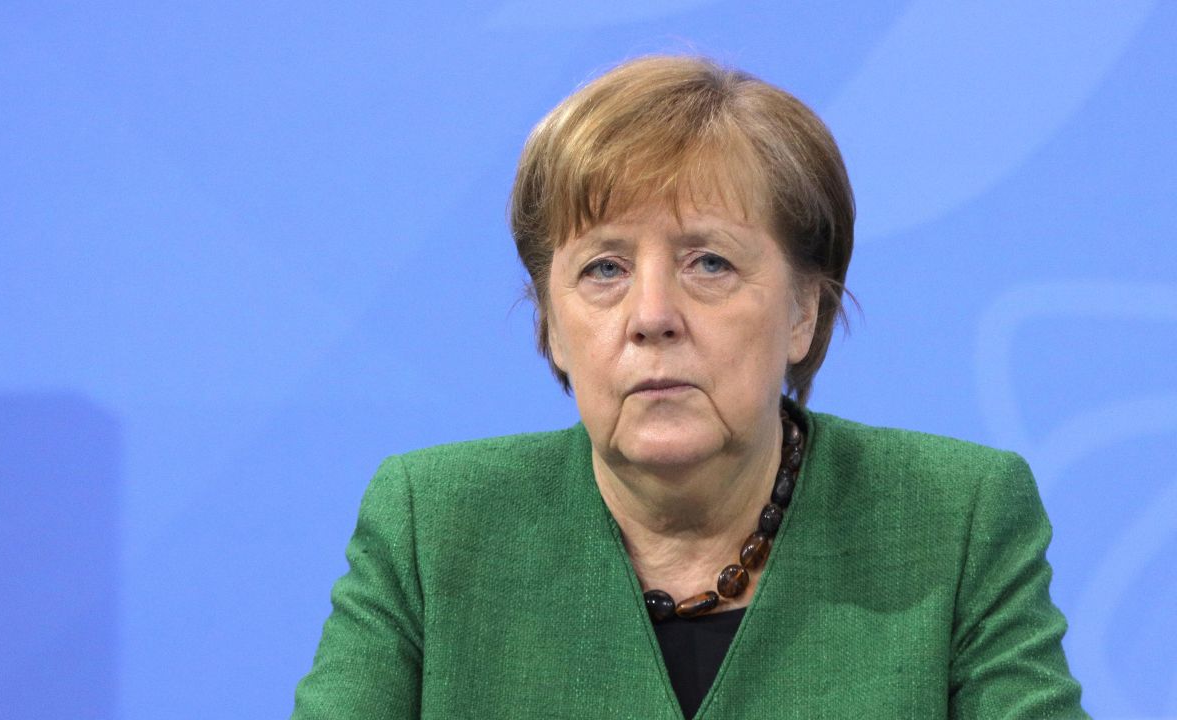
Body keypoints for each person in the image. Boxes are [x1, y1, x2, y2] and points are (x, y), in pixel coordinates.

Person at [291, 55, 1087, 719]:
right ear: (552, 326)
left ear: (805, 311)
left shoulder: (957, 518)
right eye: (603, 269)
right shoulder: (434, 526)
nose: (653, 316)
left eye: (709, 262)